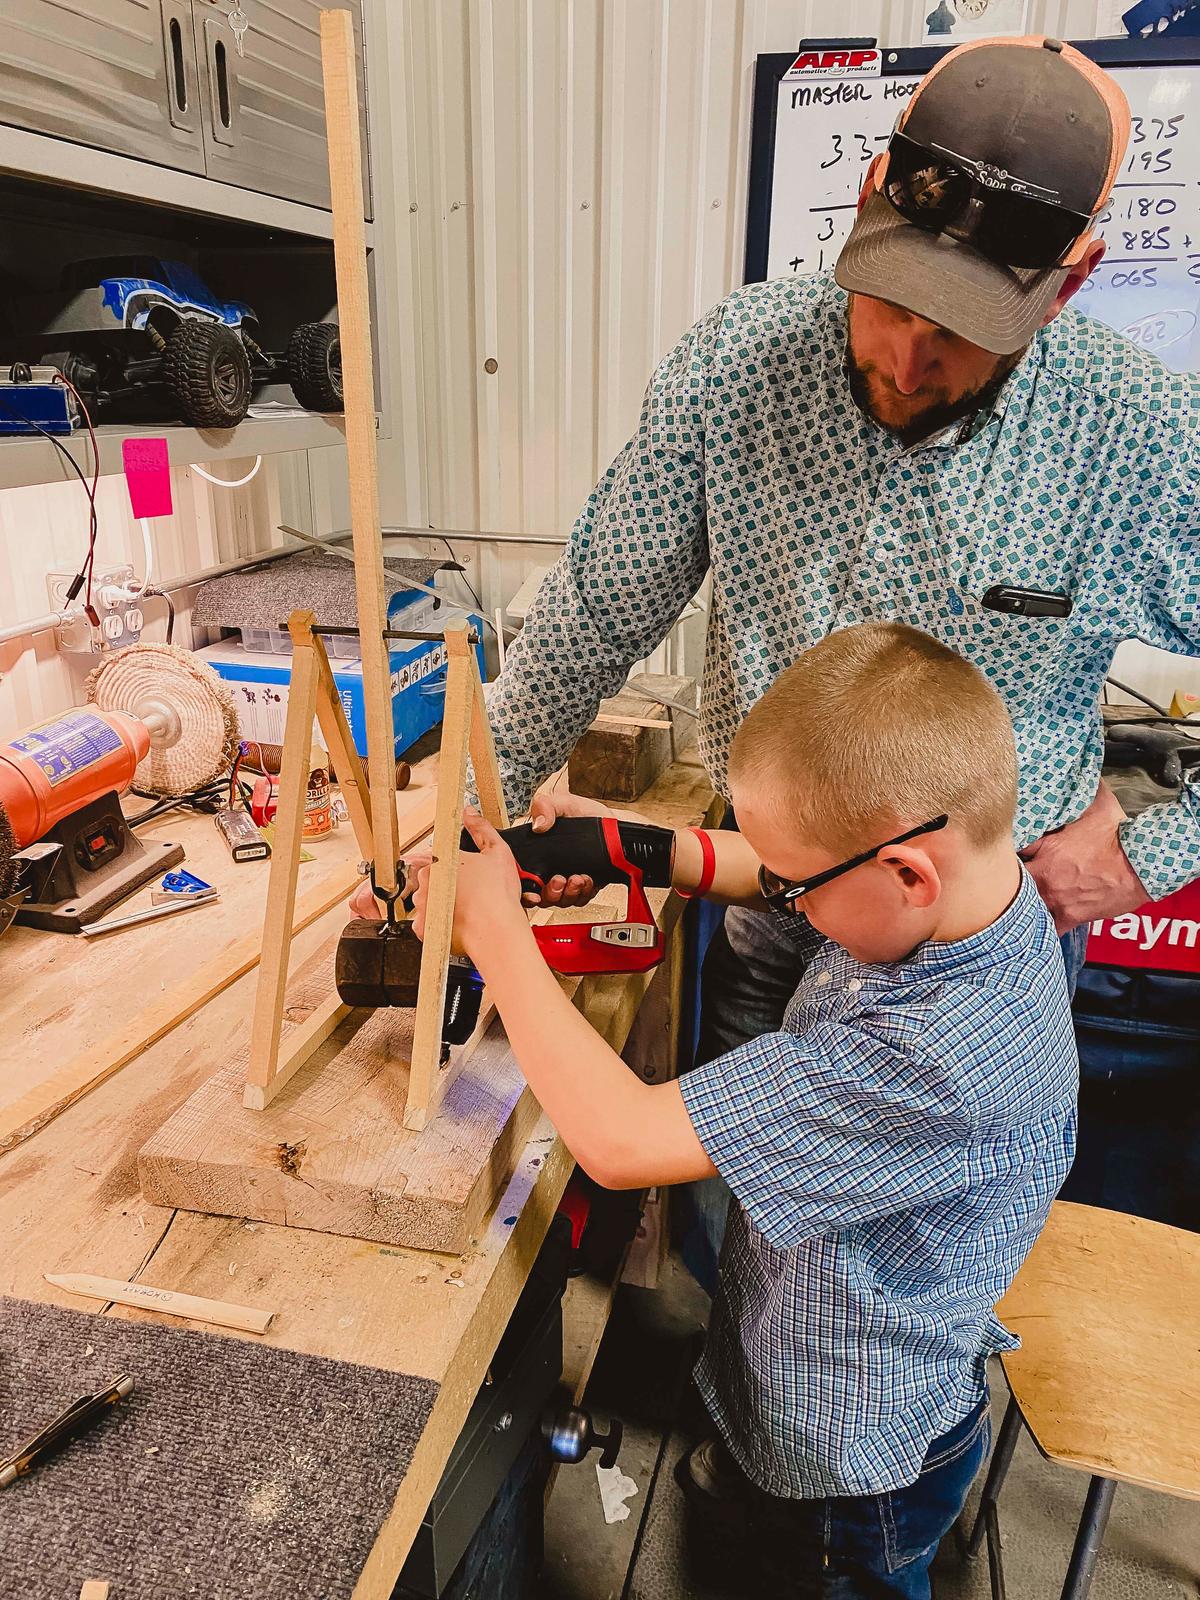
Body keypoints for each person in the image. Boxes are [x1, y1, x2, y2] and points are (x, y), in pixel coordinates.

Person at [409, 622, 1078, 1599]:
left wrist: (495, 930)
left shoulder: (940, 1055)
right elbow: (773, 867)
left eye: (804, 890)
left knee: (830, 1580)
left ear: (906, 873)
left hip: (852, 1466)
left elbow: (621, 1139)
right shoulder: (964, 887)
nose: (788, 907)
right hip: (823, 1361)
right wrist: (623, 844)